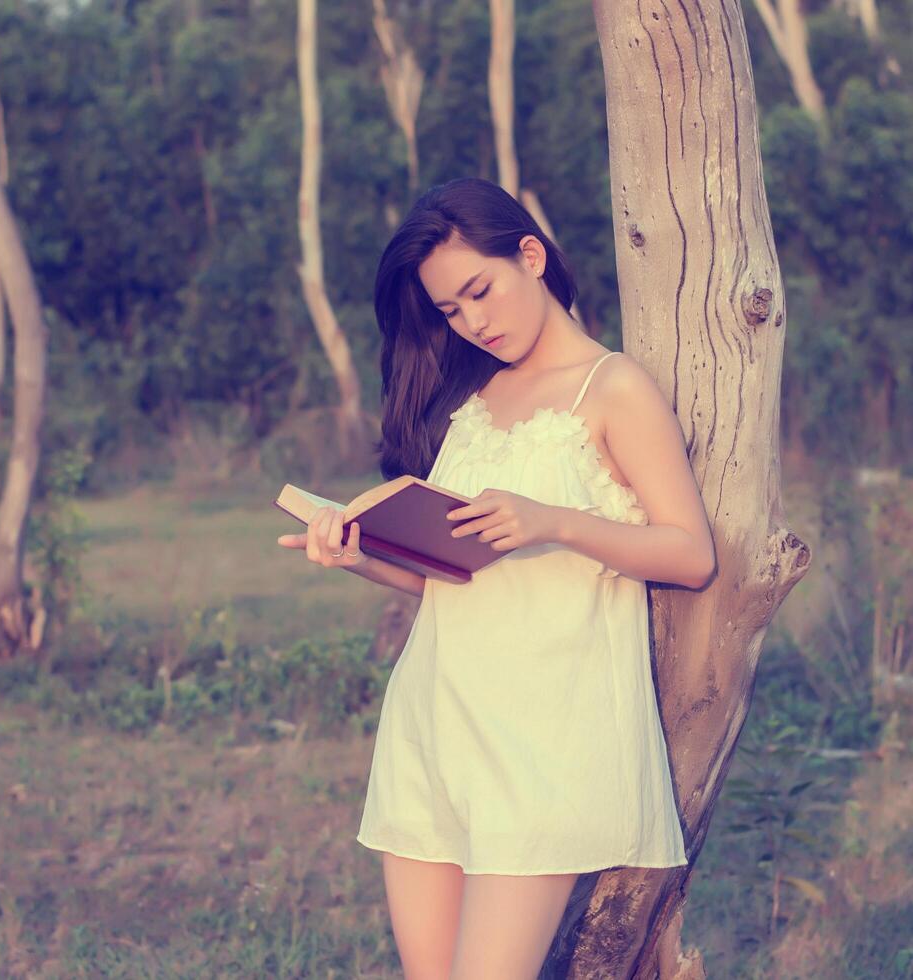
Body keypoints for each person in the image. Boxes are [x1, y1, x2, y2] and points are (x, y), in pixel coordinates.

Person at [276, 176, 716, 979]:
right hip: (436, 720)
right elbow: (449, 580)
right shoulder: (472, 401)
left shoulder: (612, 387)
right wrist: (359, 555)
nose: (473, 322)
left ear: (529, 255)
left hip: (545, 736)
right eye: (450, 311)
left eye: (479, 292)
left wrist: (553, 521)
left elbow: (690, 554)